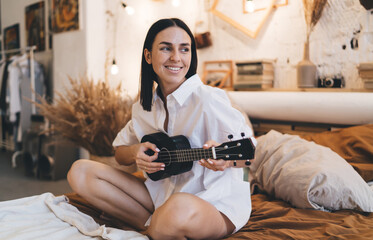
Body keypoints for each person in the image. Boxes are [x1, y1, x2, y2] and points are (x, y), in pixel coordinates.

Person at [67, 18, 255, 240]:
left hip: (212, 203)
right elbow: (119, 153)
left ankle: (155, 224)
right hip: (161, 196)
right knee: (80, 171)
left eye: (184, 49)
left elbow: (249, 153)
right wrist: (135, 151)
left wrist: (226, 160)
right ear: (148, 56)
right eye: (166, 48)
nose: (176, 57)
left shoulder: (209, 99)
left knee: (177, 208)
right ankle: (152, 226)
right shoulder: (143, 107)